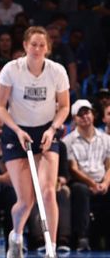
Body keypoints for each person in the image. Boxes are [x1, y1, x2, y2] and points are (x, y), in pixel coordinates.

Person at [0, 26, 70, 257]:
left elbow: (65, 106)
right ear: (25, 46)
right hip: (16, 133)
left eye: (42, 45)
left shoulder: (57, 71)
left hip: (46, 131)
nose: (37, 49)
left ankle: (51, 248)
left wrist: (53, 129)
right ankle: (16, 236)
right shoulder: (12, 70)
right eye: (33, 44)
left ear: (48, 48)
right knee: (26, 200)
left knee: (48, 192)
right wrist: (16, 129)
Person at [62, 99, 110, 252]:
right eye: (80, 114)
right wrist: (92, 184)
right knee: (80, 190)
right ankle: (83, 237)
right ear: (74, 119)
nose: (84, 117)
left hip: (102, 180)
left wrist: (105, 183)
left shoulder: (106, 139)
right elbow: (74, 170)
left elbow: (109, 165)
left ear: (93, 115)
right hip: (81, 181)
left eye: (87, 112)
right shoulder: (67, 141)